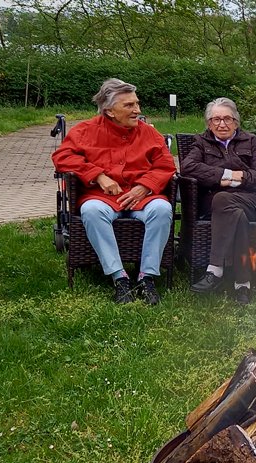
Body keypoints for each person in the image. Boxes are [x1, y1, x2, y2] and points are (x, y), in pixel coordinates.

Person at [52, 78, 175, 305]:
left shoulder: (149, 133)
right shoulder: (85, 131)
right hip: (103, 197)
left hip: (143, 198)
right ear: (109, 111)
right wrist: (98, 175)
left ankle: (146, 277)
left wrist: (145, 186)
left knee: (163, 209)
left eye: (137, 104)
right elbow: (62, 158)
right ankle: (120, 278)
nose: (137, 110)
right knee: (90, 210)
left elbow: (166, 166)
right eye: (129, 105)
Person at [181, 98, 256, 305]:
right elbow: (188, 167)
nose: (222, 124)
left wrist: (232, 180)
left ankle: (215, 269)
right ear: (209, 123)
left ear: (236, 122)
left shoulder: (251, 141)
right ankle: (243, 284)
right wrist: (228, 174)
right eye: (216, 119)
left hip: (250, 202)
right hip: (220, 205)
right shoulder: (201, 142)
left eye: (227, 119)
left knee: (224, 198)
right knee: (233, 212)